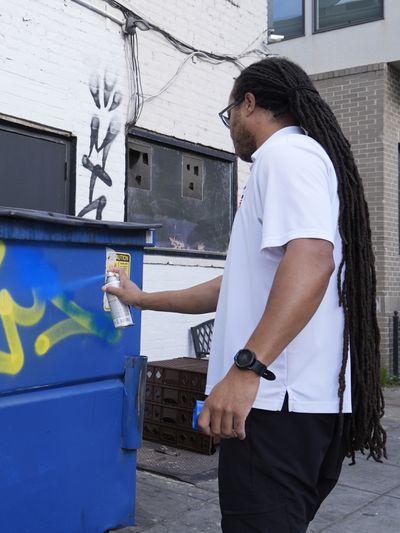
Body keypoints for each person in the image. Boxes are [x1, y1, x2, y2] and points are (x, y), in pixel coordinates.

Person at [105, 57, 386, 532]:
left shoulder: (285, 155)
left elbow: (312, 260)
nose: (230, 126)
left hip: (275, 407)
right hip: (299, 410)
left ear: (249, 104)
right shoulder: (306, 161)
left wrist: (247, 369)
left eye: (229, 113)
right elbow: (230, 287)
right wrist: (142, 298)